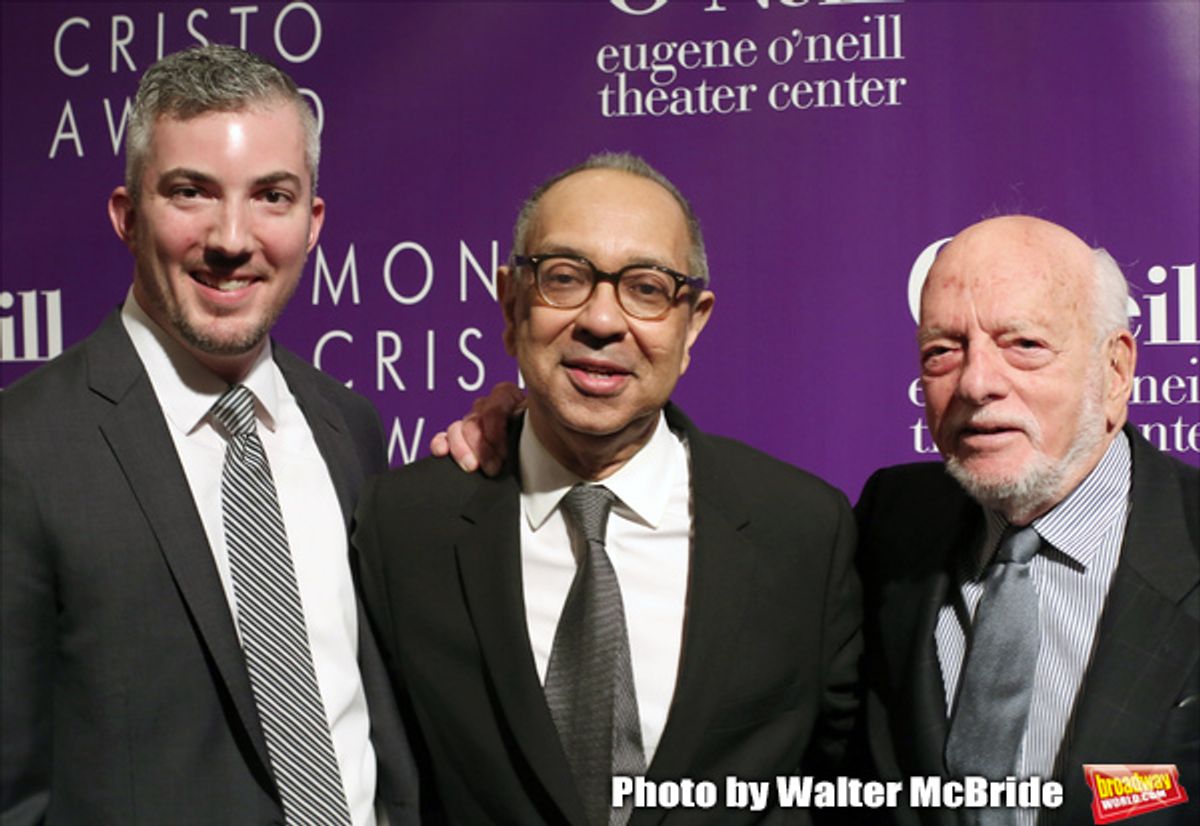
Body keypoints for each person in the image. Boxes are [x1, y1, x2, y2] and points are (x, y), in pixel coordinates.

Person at [353, 152, 862, 825]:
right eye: (564, 278)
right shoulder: (408, 526)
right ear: (511, 304)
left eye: (647, 288)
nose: (600, 320)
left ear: (692, 324)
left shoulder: (801, 531)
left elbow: (842, 788)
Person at [0, 45, 434, 825]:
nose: (233, 238)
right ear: (127, 216)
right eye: (191, 193)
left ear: (312, 222)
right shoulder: (21, 452)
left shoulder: (350, 427)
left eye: (272, 196)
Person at [855, 216, 1198, 826]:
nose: (977, 382)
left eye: (1025, 344)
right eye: (942, 351)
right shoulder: (890, 520)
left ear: (1116, 371)